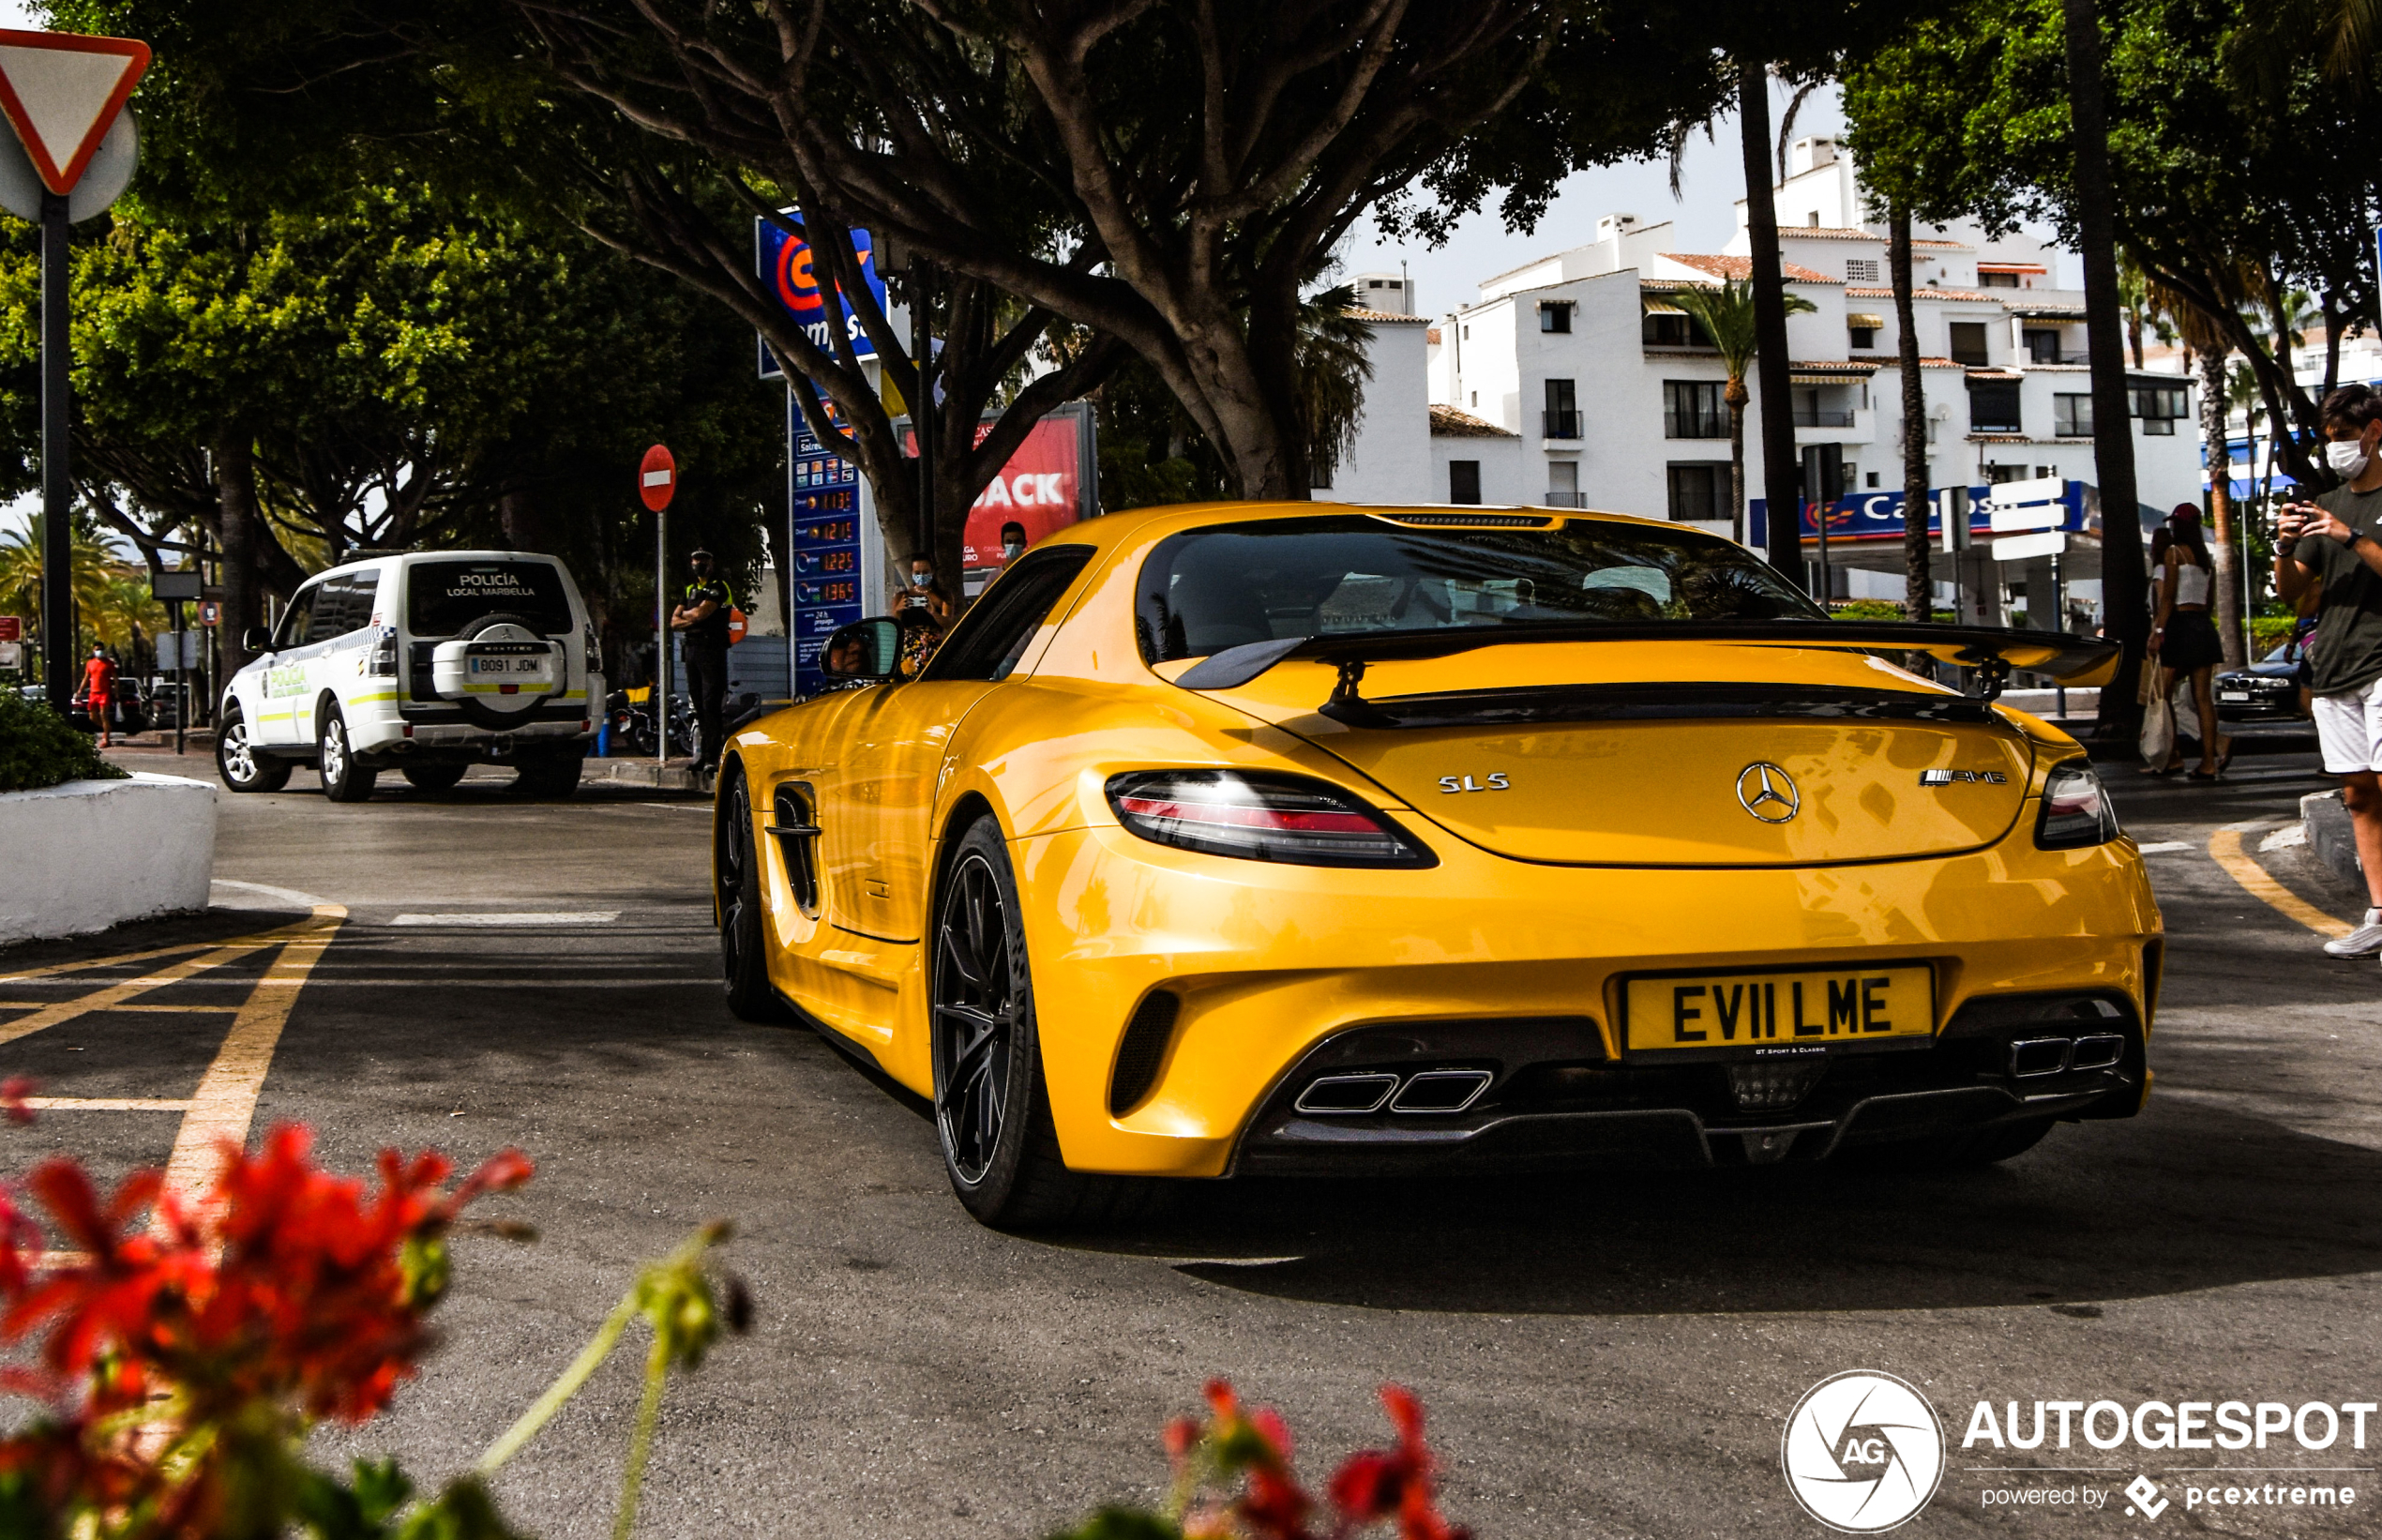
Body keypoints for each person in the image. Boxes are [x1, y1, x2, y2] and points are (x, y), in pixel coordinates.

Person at [2275, 381, 2382, 957]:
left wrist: (2353, 537)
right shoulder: (2329, 503)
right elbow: (2294, 592)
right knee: (2359, 794)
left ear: (2375, 432)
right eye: (2329, 438)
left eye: (2344, 436)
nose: (2336, 447)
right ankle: (2380, 914)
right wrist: (2284, 543)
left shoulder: (2354, 514)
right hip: (2335, 668)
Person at [2149, 505, 2233, 779]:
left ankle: (2173, 756)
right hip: (2202, 625)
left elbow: (2168, 597)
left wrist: (2158, 631)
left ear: (2179, 526)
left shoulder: (2174, 554)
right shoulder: (2204, 559)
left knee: (2165, 694)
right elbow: (2208, 602)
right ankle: (2208, 761)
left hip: (2180, 625)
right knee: (2203, 698)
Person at [669, 549, 734, 770]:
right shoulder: (689, 589)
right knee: (698, 705)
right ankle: (701, 755)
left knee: (711, 704)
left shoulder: (719, 587)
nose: (699, 564)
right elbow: (673, 622)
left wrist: (690, 615)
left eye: (703, 560)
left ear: (711, 563)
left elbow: (699, 614)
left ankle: (713, 757)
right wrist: (692, 617)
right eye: (696, 560)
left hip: (711, 649)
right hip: (692, 649)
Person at [897, 552, 956, 628]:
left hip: (934, 639)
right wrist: (898, 610)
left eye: (925, 572)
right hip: (909, 639)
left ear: (932, 571)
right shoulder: (901, 596)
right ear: (911, 572)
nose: (921, 576)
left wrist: (934, 612)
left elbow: (948, 624)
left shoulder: (943, 596)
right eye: (917, 573)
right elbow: (894, 624)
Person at [78, 645, 117, 747]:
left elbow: (115, 679)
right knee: (92, 717)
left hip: (105, 693)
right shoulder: (90, 663)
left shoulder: (109, 663)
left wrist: (117, 691)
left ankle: (106, 739)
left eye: (100, 649)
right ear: (93, 651)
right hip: (93, 693)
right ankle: (107, 728)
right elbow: (86, 678)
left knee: (103, 715)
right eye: (97, 649)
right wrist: (80, 690)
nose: (99, 651)